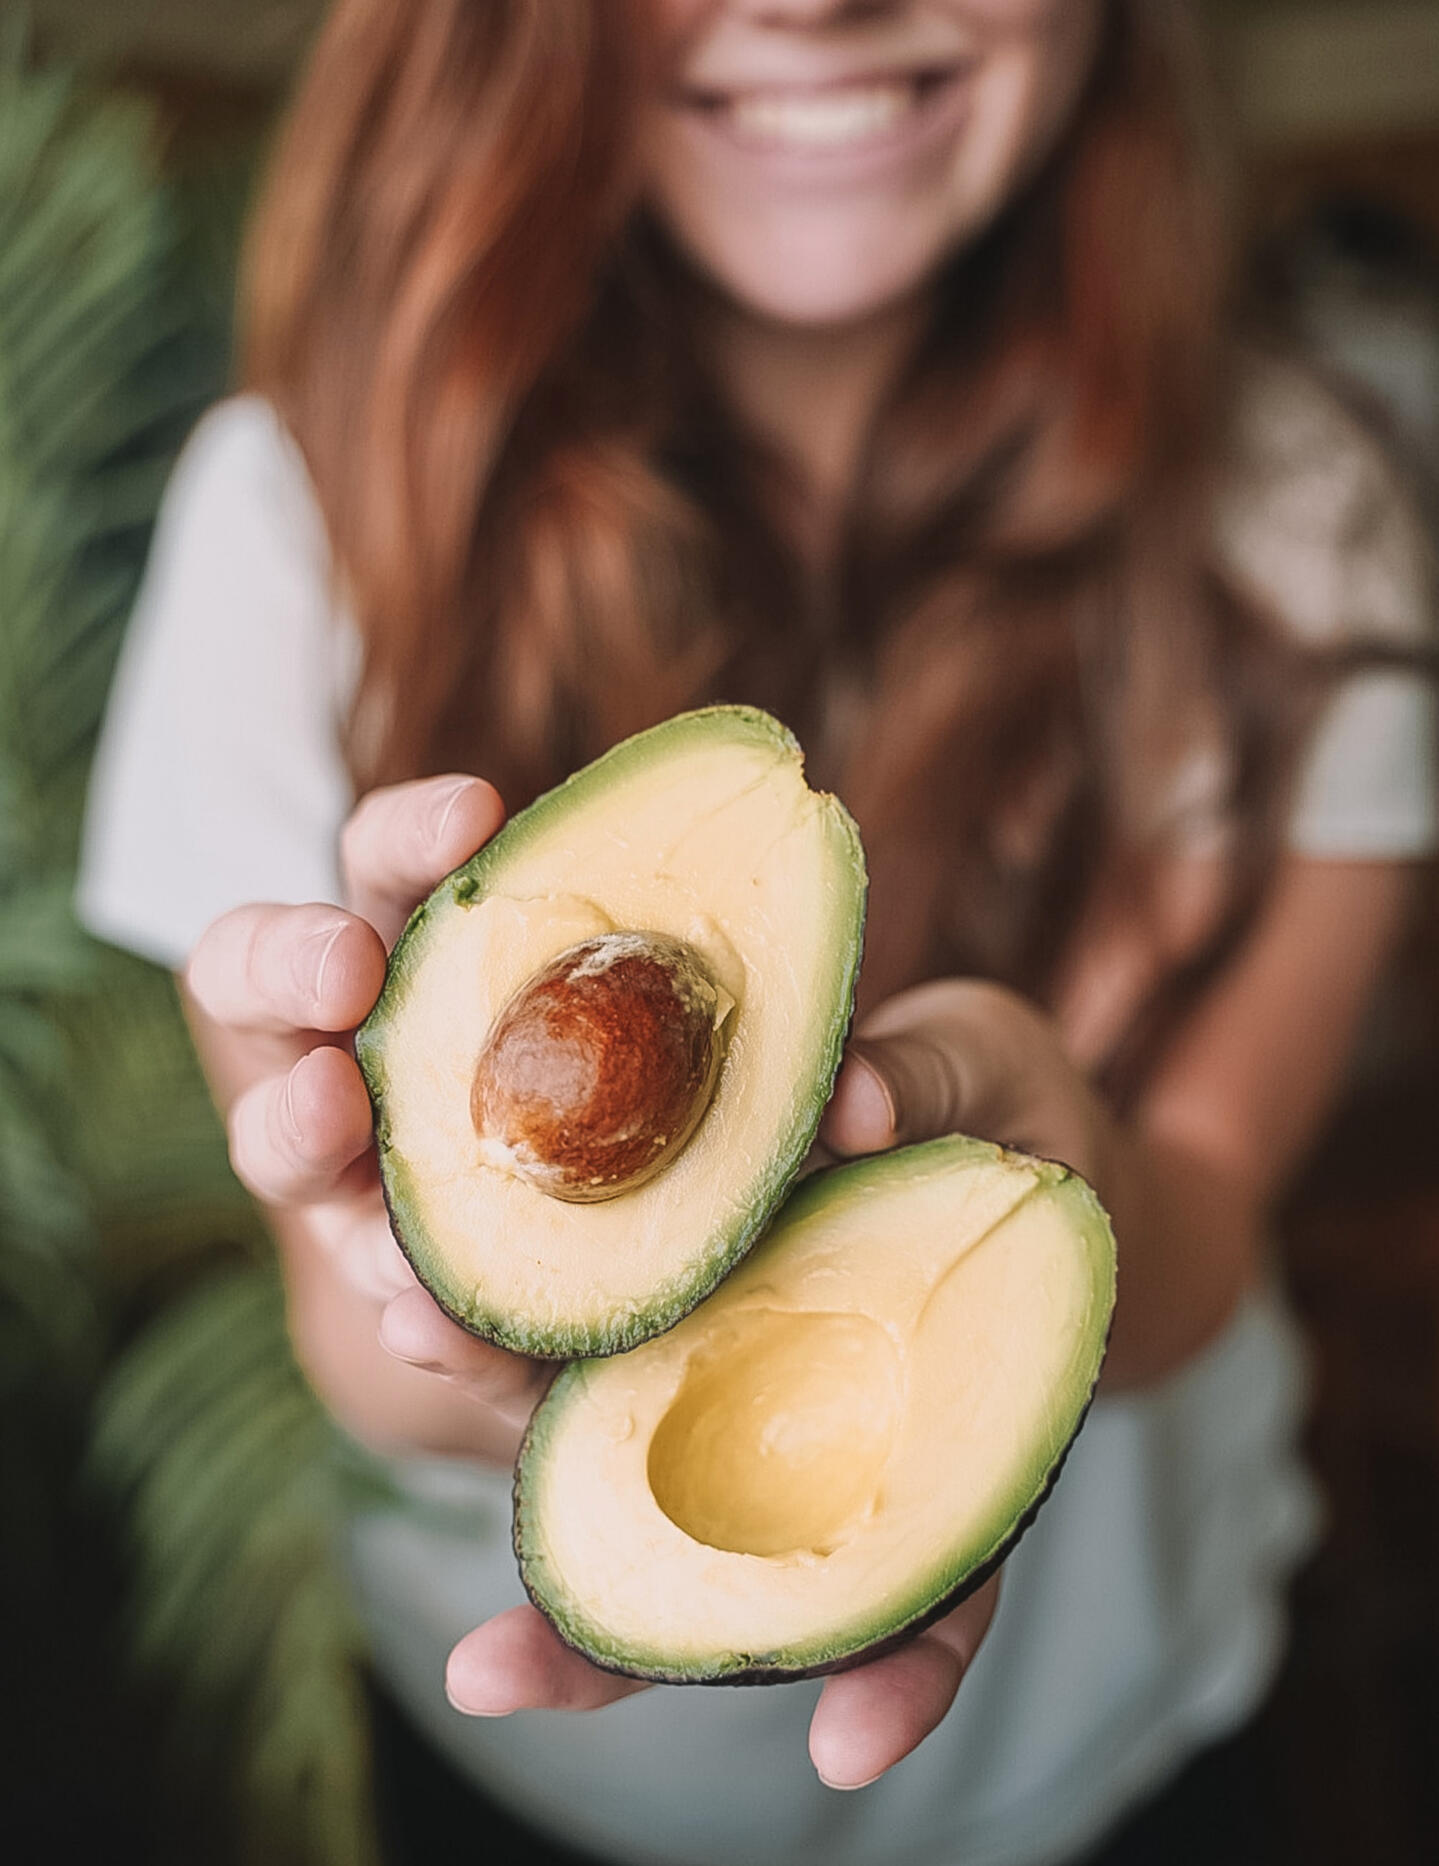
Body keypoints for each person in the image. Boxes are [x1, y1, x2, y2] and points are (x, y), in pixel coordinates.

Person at [78, 2, 1436, 1862]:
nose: (814, 3)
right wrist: (481, 1346)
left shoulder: (1309, 529)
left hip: (1125, 1726)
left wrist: (1086, 1166)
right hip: (534, 1776)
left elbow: (1203, 1208)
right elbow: (346, 1322)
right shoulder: (305, 507)